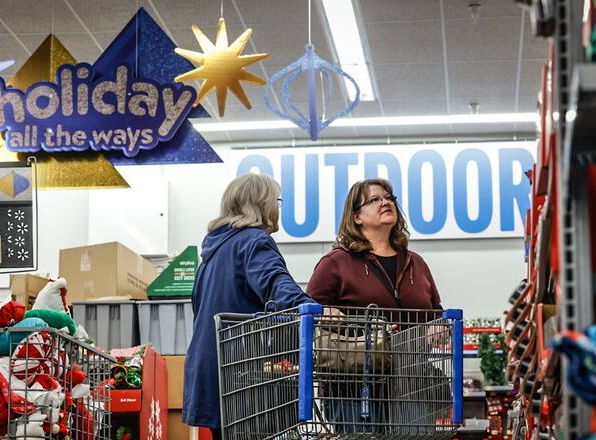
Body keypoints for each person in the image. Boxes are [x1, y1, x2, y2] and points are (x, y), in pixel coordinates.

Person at [182, 173, 317, 440]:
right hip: (240, 376)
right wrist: (309, 307)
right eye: (276, 202)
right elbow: (274, 281)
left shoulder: (212, 253)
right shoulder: (254, 240)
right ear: (262, 205)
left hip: (209, 370)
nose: (277, 210)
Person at [306, 178, 443, 434]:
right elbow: (310, 312)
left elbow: (436, 313)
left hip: (411, 384)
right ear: (357, 216)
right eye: (375, 199)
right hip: (353, 388)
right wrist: (326, 314)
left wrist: (440, 327)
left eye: (389, 198)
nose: (385, 202)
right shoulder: (336, 262)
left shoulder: (416, 263)